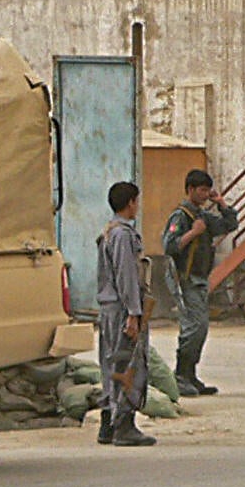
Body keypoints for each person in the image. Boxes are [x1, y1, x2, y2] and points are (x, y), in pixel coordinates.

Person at [161, 169, 238, 396]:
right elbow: (169, 246)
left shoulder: (202, 216)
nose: (205, 194)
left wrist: (222, 203)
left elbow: (229, 225)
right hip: (185, 278)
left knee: (200, 328)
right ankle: (181, 375)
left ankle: (190, 374)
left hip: (199, 279)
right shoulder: (181, 216)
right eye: (202, 190)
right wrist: (192, 234)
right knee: (193, 327)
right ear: (190, 190)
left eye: (207, 190)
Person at [96, 180, 155, 448]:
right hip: (121, 310)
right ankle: (124, 425)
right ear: (131, 202)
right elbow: (127, 276)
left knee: (111, 364)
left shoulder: (109, 231)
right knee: (128, 364)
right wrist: (134, 313)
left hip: (110, 308)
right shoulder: (122, 235)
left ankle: (107, 424)